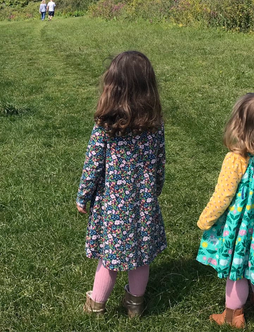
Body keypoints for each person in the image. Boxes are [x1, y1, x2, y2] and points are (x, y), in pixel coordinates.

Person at [76, 51, 166, 318]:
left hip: (114, 206)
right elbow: (161, 161)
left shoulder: (106, 124)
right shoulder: (154, 125)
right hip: (144, 203)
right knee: (141, 257)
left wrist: (84, 197)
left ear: (112, 87)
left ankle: (96, 305)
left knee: (110, 259)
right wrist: (155, 189)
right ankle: (135, 305)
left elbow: (93, 164)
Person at [196, 93, 254, 329]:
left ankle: (233, 315)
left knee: (237, 268)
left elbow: (222, 196)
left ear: (240, 128)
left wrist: (206, 219)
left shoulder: (237, 160)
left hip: (241, 227)